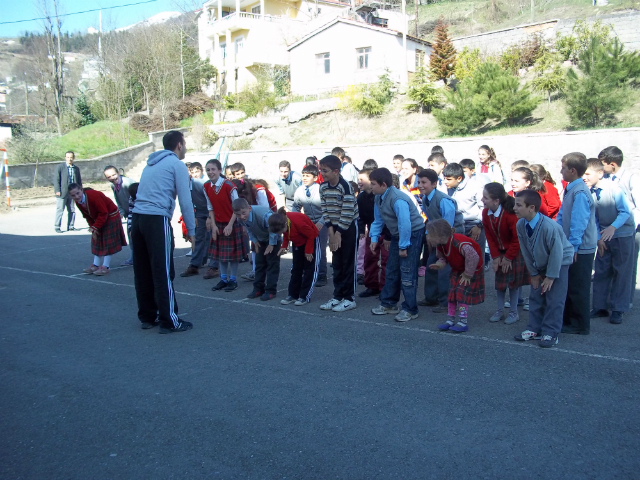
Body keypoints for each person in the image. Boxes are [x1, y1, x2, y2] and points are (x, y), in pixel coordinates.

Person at [131, 130, 195, 333]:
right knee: (162, 271)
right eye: (184, 144)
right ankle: (170, 320)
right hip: (156, 220)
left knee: (143, 271)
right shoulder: (177, 165)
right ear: (179, 145)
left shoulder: (150, 164)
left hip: (137, 218)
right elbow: (185, 200)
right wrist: (192, 230)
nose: (184, 148)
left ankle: (147, 316)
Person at [513, 190, 573, 348]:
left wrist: (551, 276)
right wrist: (533, 273)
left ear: (531, 207)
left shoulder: (549, 227)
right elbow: (525, 250)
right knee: (536, 295)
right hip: (540, 262)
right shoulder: (521, 224)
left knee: (554, 298)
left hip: (559, 262)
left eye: (519, 205)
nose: (514, 208)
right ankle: (534, 328)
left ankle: (551, 333)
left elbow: (556, 252)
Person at [369, 168, 425, 322]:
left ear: (383, 184)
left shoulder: (398, 199)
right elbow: (378, 220)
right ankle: (389, 304)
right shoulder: (378, 197)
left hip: (412, 234)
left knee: (407, 272)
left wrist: (403, 246)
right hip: (397, 234)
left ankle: (410, 309)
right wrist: (374, 238)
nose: (370, 186)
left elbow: (405, 223)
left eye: (373, 184)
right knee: (392, 269)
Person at [583, 159, 635, 324]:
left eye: (587, 174)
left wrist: (613, 227)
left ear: (599, 173)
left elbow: (625, 211)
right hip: (605, 236)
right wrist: (599, 238)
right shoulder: (590, 191)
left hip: (622, 234)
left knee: (622, 272)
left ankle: (618, 308)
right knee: (602, 270)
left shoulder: (614, 189)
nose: (584, 177)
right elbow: (594, 217)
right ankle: (600, 306)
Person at [557, 152, 597, 335]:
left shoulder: (580, 191)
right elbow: (563, 215)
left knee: (577, 286)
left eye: (563, 168)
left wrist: (573, 245)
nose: (561, 171)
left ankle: (580, 324)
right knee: (570, 284)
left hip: (581, 248)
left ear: (572, 170)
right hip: (572, 245)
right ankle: (569, 319)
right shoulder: (572, 188)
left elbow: (578, 221)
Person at [482, 183, 530, 325]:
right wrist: (495, 258)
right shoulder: (486, 213)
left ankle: (513, 312)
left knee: (513, 284)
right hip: (501, 252)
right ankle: (499, 310)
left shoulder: (510, 215)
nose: (482, 200)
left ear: (496, 201)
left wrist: (508, 258)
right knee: (500, 283)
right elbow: (489, 237)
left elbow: (517, 239)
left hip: (514, 251)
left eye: (485, 198)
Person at [417, 168, 464, 311]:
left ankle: (446, 302)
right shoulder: (425, 198)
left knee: (445, 270)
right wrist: (430, 236)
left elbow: (448, 225)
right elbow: (431, 220)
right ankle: (431, 298)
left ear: (434, 184)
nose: (420, 185)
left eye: (424, 182)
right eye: (419, 182)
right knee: (431, 265)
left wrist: (439, 241)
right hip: (437, 236)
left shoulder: (444, 200)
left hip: (450, 237)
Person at [426, 219, 484, 333]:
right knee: (452, 295)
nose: (428, 237)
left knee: (462, 296)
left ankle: (463, 322)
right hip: (458, 269)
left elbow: (473, 257)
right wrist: (439, 264)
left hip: (470, 270)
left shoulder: (459, 242)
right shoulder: (441, 245)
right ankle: (450, 320)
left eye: (430, 235)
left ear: (440, 235)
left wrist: (468, 274)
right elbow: (443, 258)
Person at [599, 146, 640, 308]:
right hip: (610, 229)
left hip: (630, 229)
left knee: (627, 268)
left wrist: (629, 227)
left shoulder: (631, 178)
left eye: (604, 164)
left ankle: (625, 301)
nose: (602, 168)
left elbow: (636, 206)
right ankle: (607, 301)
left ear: (613, 164)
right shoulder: (607, 179)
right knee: (607, 268)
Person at [319, 154, 360, 312]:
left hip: (348, 228)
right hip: (334, 228)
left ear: (336, 171)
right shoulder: (323, 187)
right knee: (336, 263)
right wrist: (331, 232)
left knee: (347, 263)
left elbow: (347, 213)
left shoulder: (346, 186)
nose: (323, 173)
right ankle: (338, 296)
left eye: (326, 170)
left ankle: (349, 298)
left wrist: (338, 234)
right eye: (321, 170)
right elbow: (326, 210)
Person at [204, 159, 246, 292]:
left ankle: (233, 280)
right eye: (208, 170)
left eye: (213, 169)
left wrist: (230, 225)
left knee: (232, 255)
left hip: (231, 223)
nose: (211, 172)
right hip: (219, 224)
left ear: (220, 170)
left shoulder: (229, 186)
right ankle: (223, 279)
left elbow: (236, 207)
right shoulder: (206, 186)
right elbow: (210, 207)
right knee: (221, 255)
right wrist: (214, 225)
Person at [69, 183, 127, 276]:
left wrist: (95, 227)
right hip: (100, 218)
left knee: (107, 242)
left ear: (81, 190)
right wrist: (93, 228)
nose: (76, 196)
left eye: (78, 193)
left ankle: (105, 266)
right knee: (96, 240)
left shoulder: (93, 196)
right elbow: (87, 216)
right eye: (73, 195)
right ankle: (95, 265)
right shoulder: (78, 202)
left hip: (110, 216)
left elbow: (103, 212)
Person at [233, 198, 281, 301]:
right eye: (238, 215)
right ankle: (258, 289)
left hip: (274, 237)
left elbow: (273, 228)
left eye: (243, 213)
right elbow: (249, 229)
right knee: (259, 265)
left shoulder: (263, 215)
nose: (241, 216)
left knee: (272, 265)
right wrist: (255, 241)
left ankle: (271, 291)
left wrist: (272, 244)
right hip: (261, 239)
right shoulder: (240, 220)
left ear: (249, 208)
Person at [270, 208, 320, 306]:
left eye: (280, 232)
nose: (280, 234)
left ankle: (304, 296)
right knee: (296, 268)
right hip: (298, 242)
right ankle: (293, 295)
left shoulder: (298, 223)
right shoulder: (283, 222)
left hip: (311, 240)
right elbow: (286, 234)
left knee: (309, 268)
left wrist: (308, 251)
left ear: (285, 224)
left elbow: (311, 234)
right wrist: (284, 246)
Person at [291, 164, 328, 287]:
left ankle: (322, 275)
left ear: (316, 177)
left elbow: (328, 208)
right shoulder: (299, 190)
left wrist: (321, 222)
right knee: (307, 248)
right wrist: (298, 221)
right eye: (303, 175)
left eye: (308, 176)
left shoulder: (321, 189)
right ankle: (309, 272)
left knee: (320, 248)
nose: (304, 178)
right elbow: (296, 206)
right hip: (307, 223)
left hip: (322, 222)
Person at [180, 162, 218, 279]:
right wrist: (194, 216)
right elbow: (187, 203)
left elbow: (212, 200)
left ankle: (214, 266)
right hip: (199, 212)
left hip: (211, 210)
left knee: (213, 237)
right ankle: (195, 265)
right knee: (199, 236)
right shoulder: (183, 187)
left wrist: (209, 217)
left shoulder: (200, 184)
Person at [357, 168, 390, 298]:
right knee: (369, 258)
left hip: (386, 232)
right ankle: (371, 286)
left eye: (362, 179)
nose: (359, 182)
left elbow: (387, 217)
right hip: (372, 231)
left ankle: (385, 288)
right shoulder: (361, 197)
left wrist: (388, 236)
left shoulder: (380, 196)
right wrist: (361, 230)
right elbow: (360, 216)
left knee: (386, 261)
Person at [443, 163, 486, 255]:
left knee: (475, 257)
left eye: (449, 179)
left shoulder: (475, 187)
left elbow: (484, 208)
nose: (445, 181)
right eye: (445, 178)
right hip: (456, 226)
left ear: (459, 178)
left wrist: (479, 225)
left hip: (473, 226)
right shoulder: (446, 187)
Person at [103, 165, 135, 265]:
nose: (112, 178)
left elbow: (137, 197)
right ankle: (134, 257)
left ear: (118, 173)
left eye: (114, 175)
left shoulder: (127, 183)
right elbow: (118, 200)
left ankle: (135, 258)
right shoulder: (113, 185)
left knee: (133, 235)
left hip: (136, 212)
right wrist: (121, 212)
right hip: (129, 213)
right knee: (131, 236)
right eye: (109, 177)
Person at [53, 151, 81, 233]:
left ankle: (71, 226)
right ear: (65, 158)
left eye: (71, 157)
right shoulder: (60, 167)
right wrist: (57, 190)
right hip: (62, 192)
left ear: (74, 158)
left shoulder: (76, 168)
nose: (70, 159)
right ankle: (57, 227)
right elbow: (56, 180)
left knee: (72, 210)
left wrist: (80, 190)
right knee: (60, 210)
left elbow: (79, 181)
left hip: (73, 193)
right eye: (68, 157)